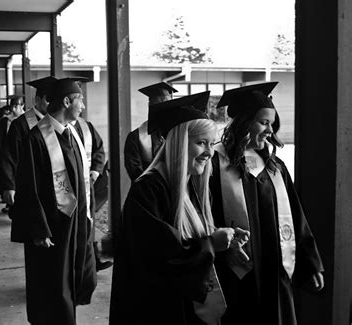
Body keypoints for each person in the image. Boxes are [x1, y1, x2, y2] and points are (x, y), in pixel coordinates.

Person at [110, 92, 250, 325]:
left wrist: (223, 241)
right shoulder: (148, 191)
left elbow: (188, 241)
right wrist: (211, 244)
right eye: (200, 142)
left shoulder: (189, 185)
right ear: (178, 143)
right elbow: (161, 259)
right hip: (156, 310)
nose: (209, 152)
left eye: (211, 143)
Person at [210, 82, 324, 325]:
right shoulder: (213, 164)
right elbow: (203, 217)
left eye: (272, 124)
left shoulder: (275, 167)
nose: (270, 130)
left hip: (275, 271)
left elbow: (296, 216)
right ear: (244, 122)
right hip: (236, 272)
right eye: (264, 122)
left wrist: (310, 263)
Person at [11, 78, 96, 325]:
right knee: (52, 284)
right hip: (52, 226)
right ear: (67, 101)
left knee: (71, 281)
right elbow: (28, 187)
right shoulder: (38, 138)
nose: (83, 106)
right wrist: (38, 228)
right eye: (80, 100)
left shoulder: (73, 133)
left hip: (74, 222)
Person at [0, 77, 57, 212]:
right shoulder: (20, 124)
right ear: (37, 100)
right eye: (48, 100)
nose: (52, 104)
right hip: (27, 184)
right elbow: (9, 156)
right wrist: (9, 185)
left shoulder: (55, 122)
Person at [73, 114, 113, 271]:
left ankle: (91, 261)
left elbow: (99, 149)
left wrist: (96, 170)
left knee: (88, 222)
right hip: (63, 188)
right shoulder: (48, 130)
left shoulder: (86, 126)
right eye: (79, 100)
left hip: (87, 185)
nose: (82, 106)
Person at [124, 82, 177, 181]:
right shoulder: (135, 137)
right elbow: (135, 173)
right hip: (147, 192)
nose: (163, 108)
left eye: (167, 104)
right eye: (158, 104)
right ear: (150, 106)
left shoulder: (177, 133)